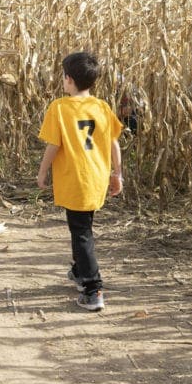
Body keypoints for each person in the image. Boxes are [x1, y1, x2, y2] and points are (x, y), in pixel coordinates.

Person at [36, 51, 123, 312]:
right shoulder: (102, 107)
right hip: (96, 177)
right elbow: (113, 143)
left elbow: (53, 145)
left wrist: (42, 172)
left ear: (69, 80)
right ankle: (78, 270)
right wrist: (117, 174)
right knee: (83, 225)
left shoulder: (60, 108)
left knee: (81, 231)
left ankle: (92, 288)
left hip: (74, 179)